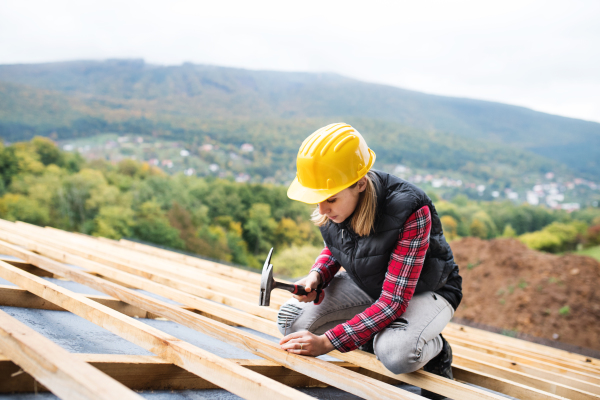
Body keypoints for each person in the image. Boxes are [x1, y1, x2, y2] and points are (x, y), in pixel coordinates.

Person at [277, 123, 462, 399]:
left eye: (329, 199)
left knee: (396, 353)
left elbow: (394, 301)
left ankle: (437, 352)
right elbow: (336, 247)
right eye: (316, 200)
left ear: (361, 183)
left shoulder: (410, 209)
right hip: (373, 284)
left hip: (426, 291)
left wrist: (329, 342)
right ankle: (369, 332)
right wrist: (317, 275)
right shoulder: (333, 206)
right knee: (291, 322)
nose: (322, 210)